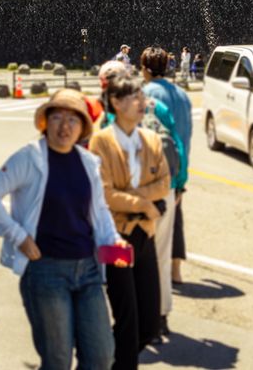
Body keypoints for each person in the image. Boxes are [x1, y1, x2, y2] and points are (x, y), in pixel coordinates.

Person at [0, 89, 122, 370]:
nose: (65, 126)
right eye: (57, 117)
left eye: (73, 120)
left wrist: (114, 241)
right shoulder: (30, 157)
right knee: (57, 360)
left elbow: (100, 211)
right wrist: (18, 236)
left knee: (101, 357)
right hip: (46, 271)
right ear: (45, 122)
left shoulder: (88, 162)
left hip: (88, 270)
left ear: (82, 127)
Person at [91, 77, 170, 370]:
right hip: (116, 239)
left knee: (149, 323)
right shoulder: (101, 141)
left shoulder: (150, 139)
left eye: (141, 96)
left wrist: (135, 198)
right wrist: (145, 204)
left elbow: (165, 183)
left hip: (144, 235)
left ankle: (101, 360)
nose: (142, 103)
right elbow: (106, 194)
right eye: (135, 97)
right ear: (116, 102)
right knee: (127, 319)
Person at [140, 46, 192, 296]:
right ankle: (176, 270)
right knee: (175, 218)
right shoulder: (182, 95)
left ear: (145, 69)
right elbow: (186, 136)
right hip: (177, 167)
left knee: (149, 226)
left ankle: (153, 281)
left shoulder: (145, 94)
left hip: (152, 172)